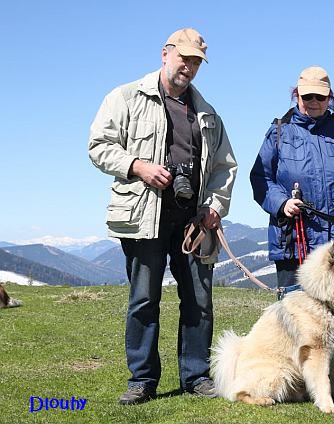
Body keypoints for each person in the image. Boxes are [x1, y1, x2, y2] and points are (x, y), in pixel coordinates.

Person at [88, 28, 238, 405]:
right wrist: (137, 165)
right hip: (143, 216)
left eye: (196, 62)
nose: (188, 67)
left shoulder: (208, 114)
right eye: (183, 58)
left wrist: (214, 207)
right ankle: (142, 380)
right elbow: (98, 146)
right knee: (143, 299)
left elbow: (224, 167)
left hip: (192, 221)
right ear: (165, 54)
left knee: (199, 300)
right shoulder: (125, 97)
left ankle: (196, 376)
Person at [250, 65, 334, 290]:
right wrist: (282, 203)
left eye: (320, 96)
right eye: (307, 95)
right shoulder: (279, 132)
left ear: (329, 97)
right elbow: (260, 178)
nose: (313, 101)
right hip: (294, 242)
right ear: (297, 95)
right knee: (295, 314)